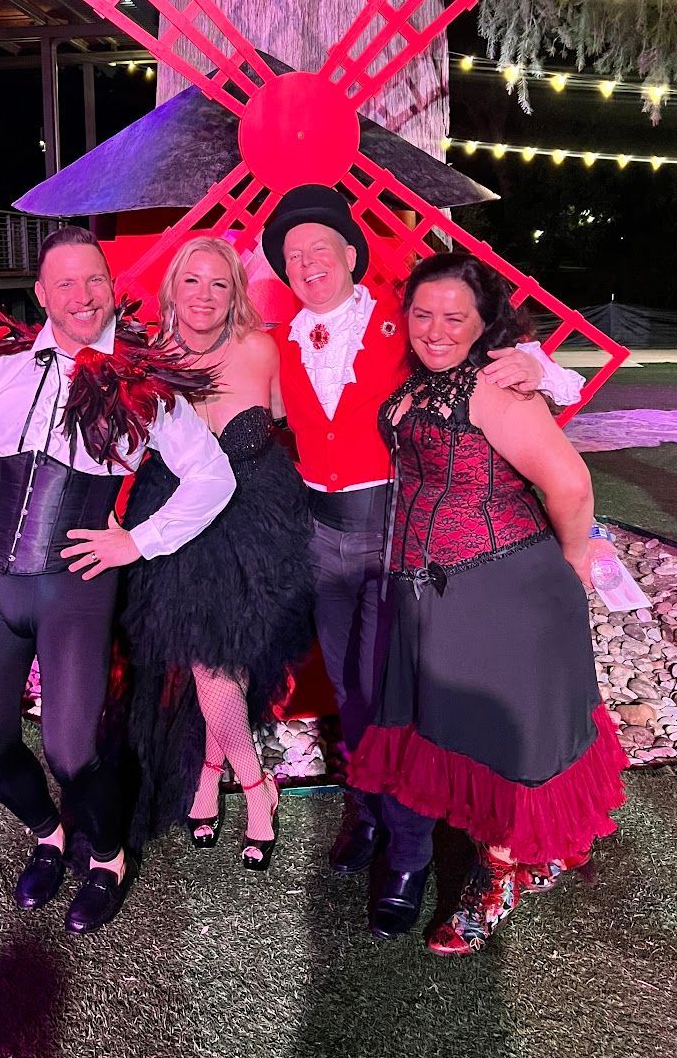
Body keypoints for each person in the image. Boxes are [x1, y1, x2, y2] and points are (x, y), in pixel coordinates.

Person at [260, 183, 586, 938]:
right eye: (292, 253)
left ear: (351, 254)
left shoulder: (409, 326)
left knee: (396, 703)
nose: (307, 263)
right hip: (321, 535)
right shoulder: (275, 339)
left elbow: (501, 358)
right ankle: (372, 815)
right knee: (349, 689)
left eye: (321, 248)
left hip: (397, 534)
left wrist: (548, 372)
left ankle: (408, 855)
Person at [0, 226, 235, 934]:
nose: (82, 295)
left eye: (93, 279)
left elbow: (211, 477)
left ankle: (107, 858)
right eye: (64, 282)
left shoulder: (143, 384)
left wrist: (138, 542)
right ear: (40, 294)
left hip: (76, 588)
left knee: (72, 748)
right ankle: (48, 835)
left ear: (111, 286)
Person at [349, 251, 627, 954]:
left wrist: (571, 568)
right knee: (463, 741)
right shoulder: (419, 384)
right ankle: (503, 861)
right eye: (422, 314)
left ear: (482, 324)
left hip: (504, 590)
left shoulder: (500, 387)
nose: (435, 330)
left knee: (505, 749)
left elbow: (569, 485)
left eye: (454, 317)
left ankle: (497, 880)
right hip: (430, 593)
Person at [121, 236, 312, 869]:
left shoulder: (261, 350)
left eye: (219, 284)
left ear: (236, 295)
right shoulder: (145, 358)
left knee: (226, 659)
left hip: (256, 520)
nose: (204, 295)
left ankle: (218, 772)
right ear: (171, 287)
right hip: (175, 522)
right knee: (208, 662)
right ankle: (254, 784)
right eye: (193, 281)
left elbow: (309, 411)